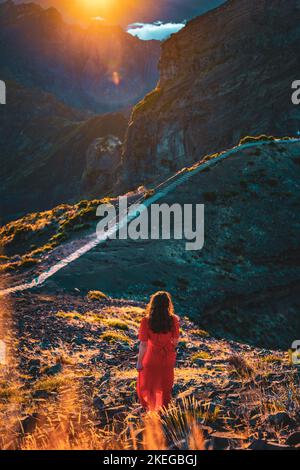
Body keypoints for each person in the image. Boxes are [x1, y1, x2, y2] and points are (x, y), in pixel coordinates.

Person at [136, 291, 180, 411]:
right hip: (167, 357)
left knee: (150, 384)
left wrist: (139, 361)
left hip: (151, 357)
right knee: (165, 384)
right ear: (168, 305)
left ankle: (151, 409)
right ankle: (163, 410)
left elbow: (143, 344)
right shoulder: (174, 320)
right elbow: (175, 341)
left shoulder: (146, 321)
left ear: (153, 304)